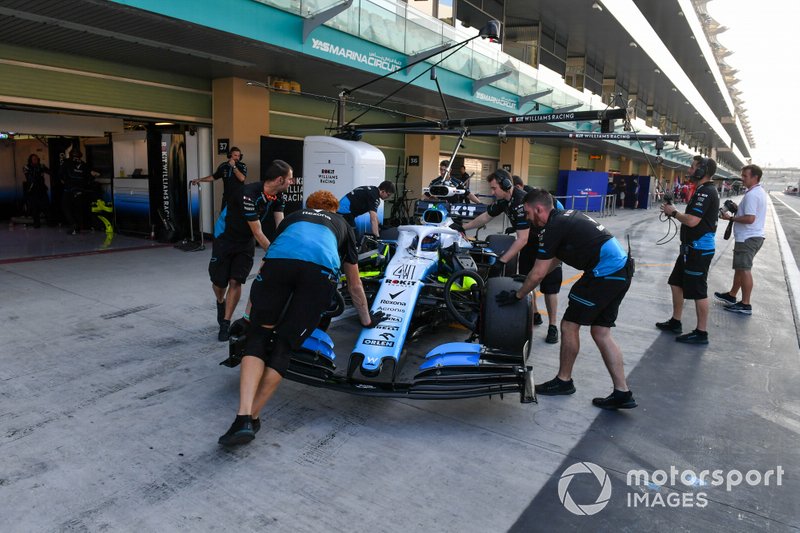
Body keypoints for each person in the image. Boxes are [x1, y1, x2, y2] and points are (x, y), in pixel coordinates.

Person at [217, 190, 386, 446]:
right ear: (333, 209)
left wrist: (249, 315)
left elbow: (265, 267)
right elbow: (354, 286)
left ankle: (242, 416)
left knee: (258, 338)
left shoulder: (293, 218)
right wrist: (367, 320)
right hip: (318, 272)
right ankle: (253, 416)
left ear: (310, 206)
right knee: (284, 346)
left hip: (278, 266)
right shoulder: (342, 224)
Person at [497, 189, 636, 409]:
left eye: (527, 212)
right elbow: (555, 260)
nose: (526, 217)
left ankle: (564, 381)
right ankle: (622, 392)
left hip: (604, 274)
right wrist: (527, 280)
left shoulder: (553, 227)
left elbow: (540, 272)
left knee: (569, 325)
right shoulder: (564, 218)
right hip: (621, 270)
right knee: (601, 332)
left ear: (538, 209)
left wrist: (518, 294)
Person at [209, 160, 292, 342]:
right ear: (279, 179)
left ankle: (225, 322)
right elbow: (258, 232)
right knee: (219, 283)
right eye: (290, 179)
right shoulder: (248, 193)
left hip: (244, 242)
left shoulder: (278, 196)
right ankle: (220, 302)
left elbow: (281, 226)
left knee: (236, 281)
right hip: (225, 238)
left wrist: (287, 247)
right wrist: (275, 255)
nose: (291, 183)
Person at [657, 156, 720, 344]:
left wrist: (673, 213)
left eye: (693, 168)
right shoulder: (702, 190)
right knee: (676, 283)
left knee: (698, 291)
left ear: (702, 171)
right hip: (689, 249)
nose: (690, 170)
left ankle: (701, 333)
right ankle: (676, 321)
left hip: (699, 250)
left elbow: (693, 221)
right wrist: (674, 210)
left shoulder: (706, 192)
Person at [714, 164, 767, 315]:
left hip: (748, 237)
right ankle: (732, 295)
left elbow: (750, 218)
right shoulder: (758, 192)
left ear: (755, 177)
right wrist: (738, 209)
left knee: (744, 270)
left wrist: (731, 217)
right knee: (740, 268)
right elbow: (750, 214)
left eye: (745, 176)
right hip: (751, 236)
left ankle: (745, 304)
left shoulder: (752, 195)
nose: (742, 179)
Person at [457, 169, 528, 277]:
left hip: (543, 241)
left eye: (494, 188)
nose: (492, 192)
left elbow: (523, 238)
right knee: (525, 277)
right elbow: (486, 217)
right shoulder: (504, 201)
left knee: (539, 281)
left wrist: (501, 261)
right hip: (530, 242)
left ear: (506, 185)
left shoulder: (520, 202)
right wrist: (462, 227)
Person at [518, 187, 565, 344]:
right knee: (527, 280)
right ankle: (535, 314)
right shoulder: (523, 204)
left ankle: (553, 326)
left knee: (550, 288)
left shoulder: (555, 207)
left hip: (550, 247)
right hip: (528, 248)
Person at [191, 146, 247, 210]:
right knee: (224, 218)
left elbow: (242, 178)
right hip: (227, 198)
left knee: (238, 218)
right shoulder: (223, 166)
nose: (237, 158)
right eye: (235, 155)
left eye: (239, 156)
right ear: (230, 155)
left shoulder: (242, 166)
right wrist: (200, 180)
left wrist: (234, 167)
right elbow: (214, 177)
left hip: (239, 198)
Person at [59, 149, 100, 234]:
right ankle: (78, 227)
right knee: (77, 209)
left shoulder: (67, 162)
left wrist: (64, 181)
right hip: (80, 190)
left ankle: (73, 225)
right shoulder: (84, 164)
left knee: (66, 207)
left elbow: (60, 174)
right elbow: (91, 176)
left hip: (69, 189)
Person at [23, 154, 51, 228]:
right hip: (33, 190)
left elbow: (49, 171)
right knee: (35, 208)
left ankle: (50, 222)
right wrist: (38, 170)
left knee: (46, 206)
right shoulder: (26, 167)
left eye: (36, 158)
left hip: (42, 189)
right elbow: (29, 177)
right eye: (33, 159)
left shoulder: (41, 166)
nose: (35, 160)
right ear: (30, 160)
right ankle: (36, 223)